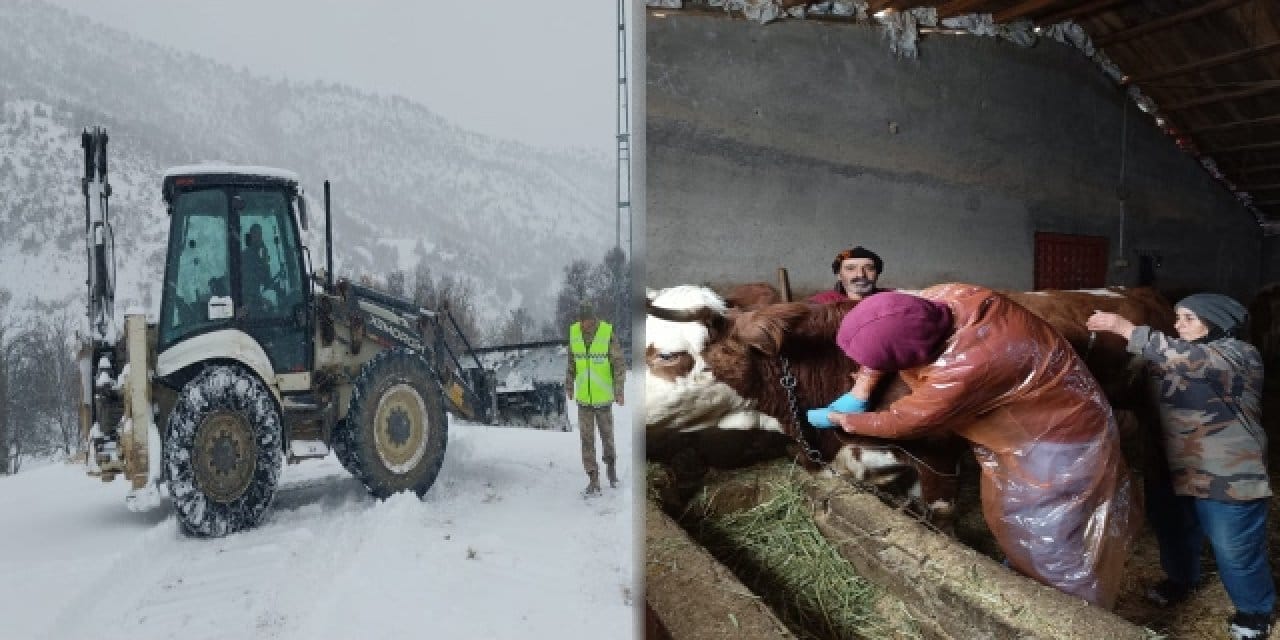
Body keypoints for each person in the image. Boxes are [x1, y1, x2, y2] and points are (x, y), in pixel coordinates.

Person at [807, 286, 1139, 609]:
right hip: (1037, 421)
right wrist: (861, 390)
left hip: (1057, 439)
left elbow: (907, 420)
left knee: (1050, 534)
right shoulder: (945, 297)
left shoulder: (967, 365)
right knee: (1018, 519)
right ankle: (1028, 573)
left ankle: (1072, 616)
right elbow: (888, 327)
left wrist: (845, 419)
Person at [1088, 294, 1274, 640]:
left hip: (1226, 473)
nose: (1177, 325)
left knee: (1234, 548)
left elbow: (1193, 360)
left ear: (1217, 323)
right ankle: (1180, 580)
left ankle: (1254, 612)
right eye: (1177, 318)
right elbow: (1126, 391)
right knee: (1173, 533)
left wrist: (1124, 328)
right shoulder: (1160, 358)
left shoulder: (1237, 355)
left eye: (1188, 318)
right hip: (1170, 468)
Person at [566, 300, 626, 497]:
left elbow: (618, 364)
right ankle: (593, 478)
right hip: (584, 400)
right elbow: (571, 362)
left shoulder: (606, 334)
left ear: (594, 318)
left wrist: (619, 390)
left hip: (603, 400)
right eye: (582, 321)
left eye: (588, 320)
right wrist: (569, 384)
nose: (585, 325)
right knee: (586, 440)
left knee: (607, 438)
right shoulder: (574, 334)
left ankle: (611, 469)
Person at [809, 246, 888, 304]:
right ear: (839, 275)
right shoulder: (820, 305)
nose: (861, 275)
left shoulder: (892, 300)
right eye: (850, 268)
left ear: (877, 274)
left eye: (869, 268)